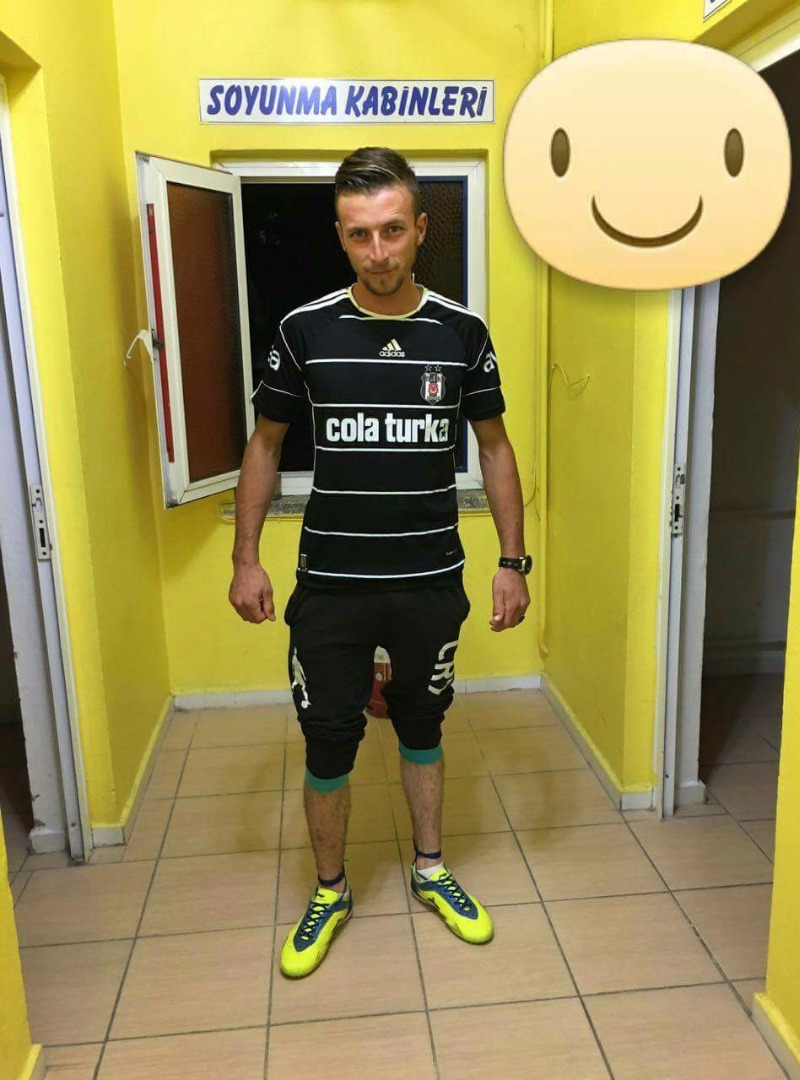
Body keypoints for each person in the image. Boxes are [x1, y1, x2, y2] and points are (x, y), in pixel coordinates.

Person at [229, 147, 531, 979]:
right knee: (328, 739)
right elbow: (264, 445)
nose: (378, 251)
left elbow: (495, 449)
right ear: (340, 235)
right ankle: (330, 890)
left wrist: (513, 561)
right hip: (331, 585)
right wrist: (245, 558)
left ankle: (431, 868)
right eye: (359, 234)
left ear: (421, 228)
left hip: (429, 579)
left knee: (424, 725)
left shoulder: (462, 333)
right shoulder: (304, 330)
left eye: (393, 230)